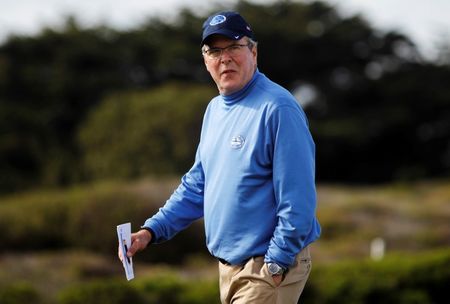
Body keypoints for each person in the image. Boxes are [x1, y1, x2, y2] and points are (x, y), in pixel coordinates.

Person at [120, 11, 321, 304]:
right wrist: (151, 230)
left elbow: (298, 199)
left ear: (253, 51)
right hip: (227, 269)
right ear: (205, 60)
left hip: (266, 266)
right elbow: (197, 185)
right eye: (214, 50)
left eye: (234, 47)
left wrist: (276, 264)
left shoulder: (278, 108)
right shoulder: (214, 110)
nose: (224, 58)